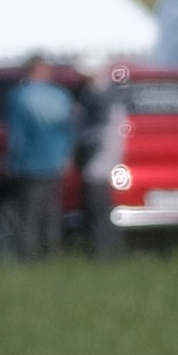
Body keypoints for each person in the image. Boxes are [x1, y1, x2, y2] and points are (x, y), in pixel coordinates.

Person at [4, 56, 74, 260]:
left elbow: (17, 134)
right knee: (52, 213)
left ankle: (29, 256)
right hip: (55, 163)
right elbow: (69, 130)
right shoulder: (61, 96)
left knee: (29, 214)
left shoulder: (20, 96)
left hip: (29, 163)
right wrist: (66, 156)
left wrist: (12, 161)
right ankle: (52, 253)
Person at [75, 71, 126, 263]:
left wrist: (82, 152)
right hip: (105, 164)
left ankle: (102, 253)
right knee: (103, 210)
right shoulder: (112, 97)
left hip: (98, 165)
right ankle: (108, 251)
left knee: (97, 210)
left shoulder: (98, 98)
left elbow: (97, 134)